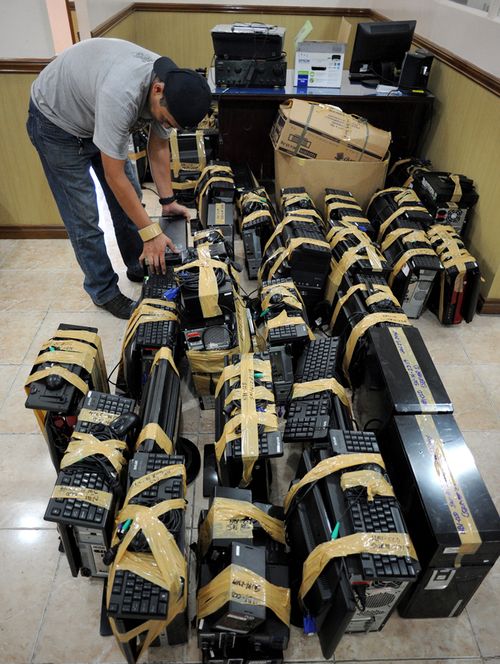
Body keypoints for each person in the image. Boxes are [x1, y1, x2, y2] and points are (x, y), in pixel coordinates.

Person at [27, 37, 212, 319]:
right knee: (85, 217)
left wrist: (167, 200)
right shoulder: (122, 94)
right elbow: (114, 176)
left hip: (91, 115)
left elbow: (159, 146)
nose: (166, 125)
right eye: (166, 119)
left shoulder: (169, 90)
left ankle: (137, 263)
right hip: (56, 124)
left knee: (130, 202)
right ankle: (104, 291)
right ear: (157, 89)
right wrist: (151, 233)